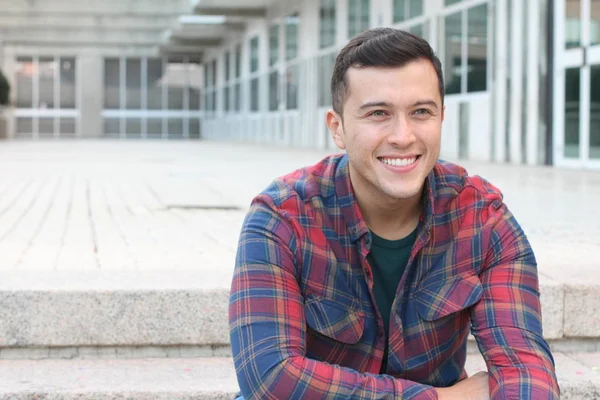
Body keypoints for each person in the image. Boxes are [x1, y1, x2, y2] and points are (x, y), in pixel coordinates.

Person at [229, 28, 559, 399]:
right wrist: (440, 398)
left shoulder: (482, 220)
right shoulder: (282, 219)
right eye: (378, 114)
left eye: (421, 112)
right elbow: (270, 379)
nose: (402, 136)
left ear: (441, 118)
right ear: (337, 127)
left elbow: (528, 374)